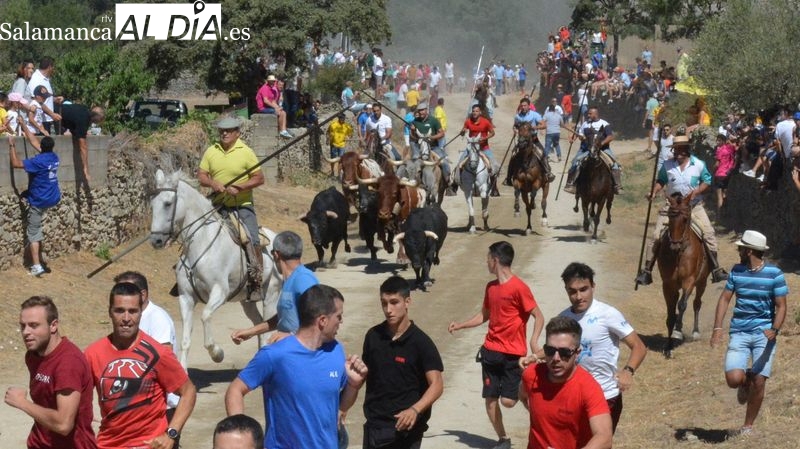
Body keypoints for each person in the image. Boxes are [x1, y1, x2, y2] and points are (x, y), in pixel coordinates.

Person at [225, 284, 369, 449]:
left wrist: (353, 385)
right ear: (323, 320)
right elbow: (235, 390)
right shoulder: (275, 355)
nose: (341, 321)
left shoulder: (336, 350)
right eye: (338, 316)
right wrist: (241, 438)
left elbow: (341, 408)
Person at [448, 241, 545, 449]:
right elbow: (484, 315)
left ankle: (530, 397)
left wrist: (534, 341)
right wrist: (461, 325)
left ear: (496, 260)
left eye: (488, 258)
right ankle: (503, 439)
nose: (486, 262)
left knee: (508, 402)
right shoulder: (491, 288)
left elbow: (539, 316)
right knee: (490, 399)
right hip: (491, 352)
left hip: (514, 355)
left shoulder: (519, 288)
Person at [85, 282, 197, 449]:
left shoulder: (157, 353)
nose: (126, 318)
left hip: (148, 445)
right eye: (119, 310)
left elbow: (188, 391)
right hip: (107, 444)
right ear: (110, 312)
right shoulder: (92, 354)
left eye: (133, 311)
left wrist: (171, 433)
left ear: (141, 313)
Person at [542, 262, 646, 433]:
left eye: (583, 289)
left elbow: (639, 346)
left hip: (604, 395)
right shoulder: (564, 317)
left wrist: (628, 371)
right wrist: (536, 356)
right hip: (572, 394)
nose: (578, 296)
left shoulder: (607, 314)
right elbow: (557, 348)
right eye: (572, 291)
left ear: (593, 287)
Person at [710, 230, 787, 436]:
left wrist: (775, 329)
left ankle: (747, 426)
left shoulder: (775, 274)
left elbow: (781, 306)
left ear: (750, 250)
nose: (738, 250)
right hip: (740, 333)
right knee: (734, 379)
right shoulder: (736, 271)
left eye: (741, 248)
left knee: (760, 380)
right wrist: (718, 328)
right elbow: (725, 299)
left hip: (764, 334)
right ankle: (745, 383)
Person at [362, 276, 444, 449]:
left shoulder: (421, 343)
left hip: (406, 430)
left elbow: (436, 384)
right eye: (384, 303)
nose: (388, 309)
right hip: (375, 427)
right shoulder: (373, 336)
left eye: (394, 302)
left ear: (407, 302)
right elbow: (363, 375)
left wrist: (415, 410)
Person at [635, 135, 729, 286]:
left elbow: (707, 180)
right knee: (656, 235)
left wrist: (696, 192)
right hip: (671, 207)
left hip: (694, 206)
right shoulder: (667, 165)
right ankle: (647, 271)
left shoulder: (698, 164)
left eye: (682, 149)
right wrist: (654, 191)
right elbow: (661, 181)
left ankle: (715, 269)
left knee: (709, 233)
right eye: (676, 149)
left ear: (687, 149)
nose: (678, 152)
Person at [5, 296, 97, 449]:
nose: (26, 332)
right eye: (23, 326)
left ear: (53, 325)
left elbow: (63, 424)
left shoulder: (68, 363)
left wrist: (22, 403)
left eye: (34, 325)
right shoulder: (33, 356)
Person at [198, 116, 266, 302]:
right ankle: (189, 275)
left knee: (251, 238)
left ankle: (255, 281)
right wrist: (213, 183)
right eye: (222, 130)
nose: (224, 133)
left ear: (237, 132)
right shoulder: (212, 151)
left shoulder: (246, 152)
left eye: (228, 130)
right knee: (195, 231)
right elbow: (202, 175)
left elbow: (259, 178)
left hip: (241, 206)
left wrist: (240, 187)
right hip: (216, 204)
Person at [519, 316, 613, 449]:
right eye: (550, 351)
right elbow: (523, 395)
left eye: (564, 352)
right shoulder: (531, 375)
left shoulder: (588, 387)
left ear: (577, 353)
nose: (556, 358)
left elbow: (604, 437)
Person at [113, 271, 182, 449]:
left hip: (163, 409)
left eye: (128, 289)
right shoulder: (128, 320)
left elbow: (165, 360)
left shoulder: (158, 319)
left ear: (142, 294)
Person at [230, 230, 319, 345]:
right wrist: (250, 332)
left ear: (276, 254)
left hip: (303, 354)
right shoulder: (290, 280)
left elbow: (320, 317)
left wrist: (291, 335)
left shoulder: (304, 279)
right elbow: (284, 318)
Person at [8, 129, 60, 277]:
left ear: (41, 148)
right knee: (37, 228)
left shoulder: (38, 161)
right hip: (52, 197)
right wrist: (24, 125)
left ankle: (37, 266)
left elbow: (16, 164)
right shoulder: (54, 157)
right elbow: (34, 142)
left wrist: (12, 145)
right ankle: (39, 259)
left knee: (34, 233)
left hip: (39, 200)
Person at [563, 106, 624, 194]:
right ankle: (571, 184)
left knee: (614, 165)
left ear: (596, 114)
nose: (588, 115)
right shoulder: (585, 124)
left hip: (603, 149)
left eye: (590, 114)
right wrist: (574, 138)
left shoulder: (604, 124)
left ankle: (617, 186)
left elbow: (610, 136)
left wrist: (601, 144)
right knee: (575, 162)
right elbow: (579, 134)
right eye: (588, 113)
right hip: (586, 149)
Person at [453, 104, 500, 196]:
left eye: (477, 111)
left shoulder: (485, 122)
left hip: (484, 148)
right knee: (459, 163)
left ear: (480, 112)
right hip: (471, 148)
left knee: (494, 165)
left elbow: (492, 133)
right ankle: (454, 185)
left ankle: (494, 187)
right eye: (473, 111)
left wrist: (485, 138)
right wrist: (462, 132)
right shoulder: (468, 121)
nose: (475, 113)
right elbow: (463, 132)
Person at [505, 98, 553, 186]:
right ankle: (508, 177)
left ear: (529, 106)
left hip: (533, 140)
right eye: (522, 106)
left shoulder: (535, 115)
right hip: (521, 142)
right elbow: (515, 126)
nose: (523, 107)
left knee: (543, 153)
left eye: (525, 105)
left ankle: (548, 172)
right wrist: (515, 130)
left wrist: (535, 128)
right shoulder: (518, 116)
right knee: (513, 155)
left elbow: (544, 125)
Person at [59, 102, 106, 182]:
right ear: (96, 117)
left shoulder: (84, 109)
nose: (99, 122)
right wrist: (86, 170)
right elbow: (83, 147)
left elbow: (74, 126)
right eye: (100, 120)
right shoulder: (84, 119)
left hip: (58, 111)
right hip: (55, 115)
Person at [410, 102, 450, 181]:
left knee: (444, 162)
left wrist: (431, 137)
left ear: (426, 110)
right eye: (419, 110)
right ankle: (412, 181)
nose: (421, 112)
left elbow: (442, 133)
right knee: (411, 164)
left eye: (422, 110)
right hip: (420, 148)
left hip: (433, 148)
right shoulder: (415, 121)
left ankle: (448, 182)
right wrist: (412, 131)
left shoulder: (433, 120)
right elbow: (413, 137)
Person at [27, 57, 62, 134]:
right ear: (49, 67)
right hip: (39, 122)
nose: (54, 70)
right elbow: (37, 101)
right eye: (53, 67)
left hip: (45, 120)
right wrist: (52, 114)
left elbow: (43, 97)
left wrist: (54, 99)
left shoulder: (45, 79)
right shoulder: (36, 80)